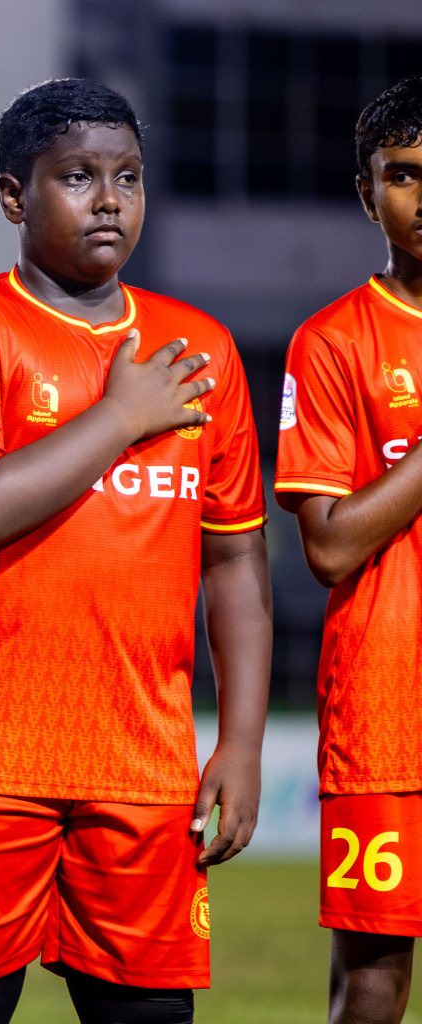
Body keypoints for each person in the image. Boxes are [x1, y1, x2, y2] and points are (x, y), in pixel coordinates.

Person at [0, 78, 272, 1024]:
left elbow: (236, 566)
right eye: (77, 176)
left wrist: (244, 742)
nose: (110, 199)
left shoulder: (201, 349)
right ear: (15, 197)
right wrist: (120, 418)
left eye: (128, 177)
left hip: (143, 767)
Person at [275, 76, 422, 1024]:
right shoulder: (333, 343)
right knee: (373, 974)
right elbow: (327, 549)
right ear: (368, 194)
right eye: (405, 176)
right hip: (388, 698)